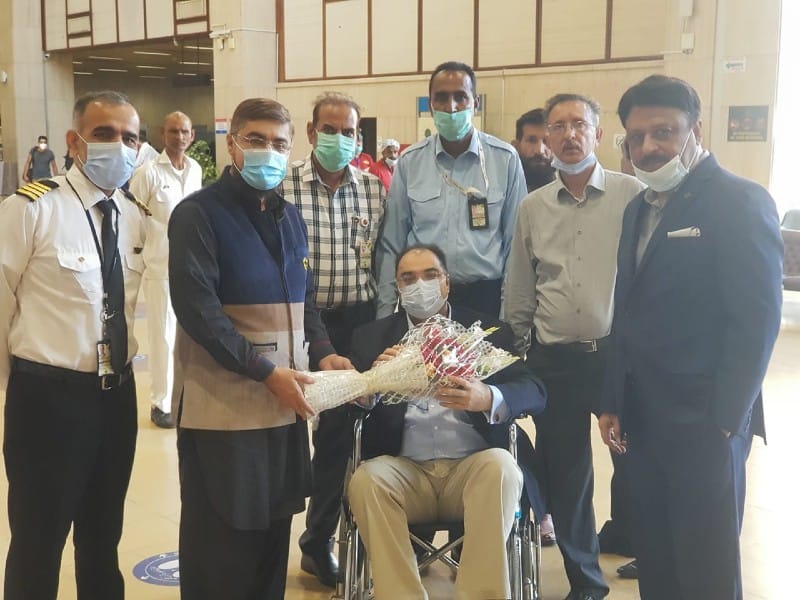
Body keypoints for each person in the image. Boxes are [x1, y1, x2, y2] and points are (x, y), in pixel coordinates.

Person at [598, 75, 783, 600]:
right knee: (656, 552)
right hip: (642, 416)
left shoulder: (739, 202)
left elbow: (757, 319)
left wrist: (727, 418)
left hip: (706, 421)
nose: (649, 147)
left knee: (705, 561)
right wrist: (612, 397)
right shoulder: (638, 208)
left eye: (665, 132)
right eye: (636, 137)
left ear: (695, 130)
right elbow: (625, 309)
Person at [168, 97, 352, 599]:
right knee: (222, 546)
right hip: (224, 411)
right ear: (232, 144)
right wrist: (266, 372)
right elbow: (199, 315)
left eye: (278, 143)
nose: (267, 151)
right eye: (255, 140)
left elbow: (304, 301)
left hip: (282, 408)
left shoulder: (289, 217)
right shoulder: (198, 215)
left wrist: (325, 352)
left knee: (273, 537)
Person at [0, 90, 148, 599]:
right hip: (47, 401)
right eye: (104, 134)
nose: (119, 147)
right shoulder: (31, 209)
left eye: (130, 137)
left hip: (116, 397)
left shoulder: (133, 215)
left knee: (103, 540)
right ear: (74, 140)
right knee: (38, 543)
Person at [503, 93, 644, 600]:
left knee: (634, 462)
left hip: (615, 359)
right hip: (554, 357)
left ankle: (650, 558)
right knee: (568, 476)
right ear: (546, 139)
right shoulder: (532, 208)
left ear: (598, 134)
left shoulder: (633, 195)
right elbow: (519, 286)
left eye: (578, 125)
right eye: (555, 127)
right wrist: (518, 351)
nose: (567, 136)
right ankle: (585, 580)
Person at [347, 244, 547, 600]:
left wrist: (487, 397)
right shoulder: (370, 338)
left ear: (447, 283)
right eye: (408, 278)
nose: (419, 285)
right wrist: (372, 384)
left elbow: (534, 390)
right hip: (405, 472)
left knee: (503, 467)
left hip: (472, 472)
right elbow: (345, 412)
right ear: (397, 288)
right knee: (365, 481)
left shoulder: (486, 333)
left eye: (430, 275)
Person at [280, 91, 386, 588]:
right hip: (301, 323)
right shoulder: (284, 187)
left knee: (346, 433)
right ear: (310, 132)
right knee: (292, 429)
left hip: (360, 322)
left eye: (350, 132)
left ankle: (322, 539)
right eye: (331, 130)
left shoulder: (372, 189)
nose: (341, 139)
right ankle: (302, 536)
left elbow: (381, 261)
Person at [375, 60, 527, 318]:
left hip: (485, 298)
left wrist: (508, 314)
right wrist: (386, 314)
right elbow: (392, 243)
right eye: (442, 98)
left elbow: (516, 244)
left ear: (474, 103)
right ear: (431, 105)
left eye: (461, 97)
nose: (452, 107)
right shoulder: (411, 162)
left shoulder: (505, 159)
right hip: (425, 298)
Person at [129, 111, 202, 428]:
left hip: (192, 267)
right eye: (174, 131)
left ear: (192, 135)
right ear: (163, 134)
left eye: (185, 131)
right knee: (162, 336)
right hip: (160, 266)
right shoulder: (147, 173)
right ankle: (161, 402)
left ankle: (182, 396)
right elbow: (132, 219)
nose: (180, 137)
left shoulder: (196, 170)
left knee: (189, 336)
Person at [514, 109, 555, 192]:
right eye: (531, 140)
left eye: (547, 141)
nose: (540, 151)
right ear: (516, 146)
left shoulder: (571, 190)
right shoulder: (504, 189)